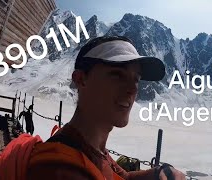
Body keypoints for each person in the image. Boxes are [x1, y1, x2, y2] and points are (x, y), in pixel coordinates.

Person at [27, 36, 186, 180]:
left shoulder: (93, 149)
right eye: (117, 75)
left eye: (136, 79)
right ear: (81, 80)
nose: (132, 89)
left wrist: (158, 173)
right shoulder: (60, 168)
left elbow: (124, 177)